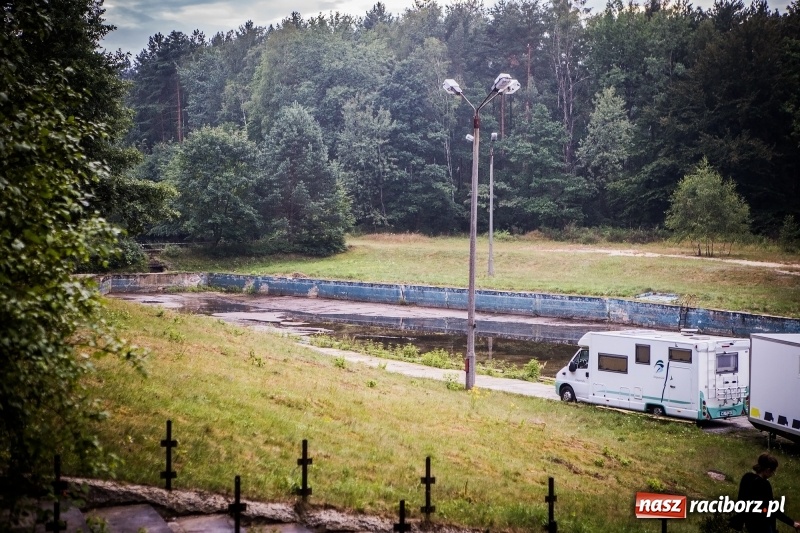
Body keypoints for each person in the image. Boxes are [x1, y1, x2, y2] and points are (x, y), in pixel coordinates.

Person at [731, 453, 800, 532]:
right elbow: (773, 508)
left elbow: (741, 500)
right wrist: (792, 523)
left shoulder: (747, 477)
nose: (773, 474)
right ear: (767, 470)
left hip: (749, 523)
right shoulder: (764, 484)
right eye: (773, 471)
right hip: (762, 525)